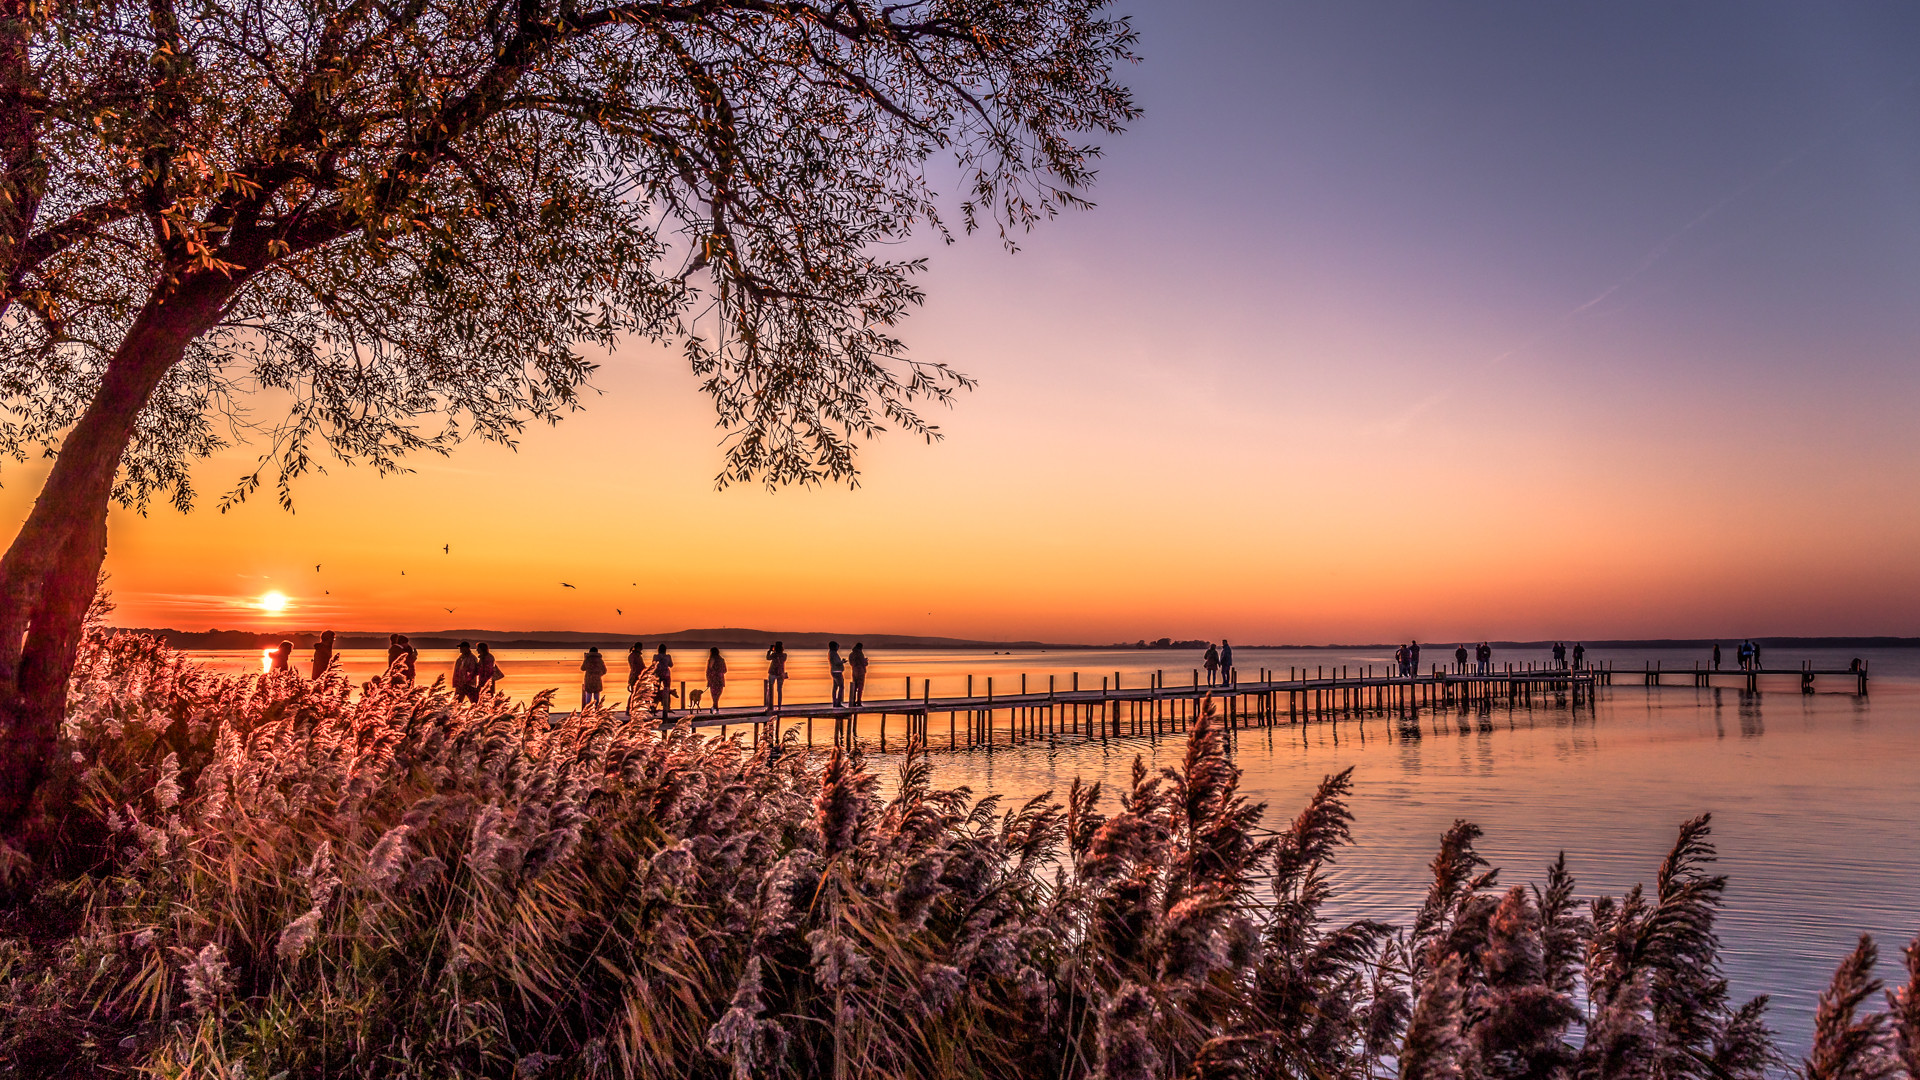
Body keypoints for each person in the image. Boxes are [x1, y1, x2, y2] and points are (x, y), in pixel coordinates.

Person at [654, 643, 675, 713]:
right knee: (667, 690)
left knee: (656, 691)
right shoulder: (668, 657)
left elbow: (653, 665)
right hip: (666, 675)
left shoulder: (655, 657)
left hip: (657, 675)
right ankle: (667, 707)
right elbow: (671, 665)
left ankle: (653, 706)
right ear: (665, 650)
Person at [766, 641, 788, 707]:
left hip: (772, 673)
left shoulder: (774, 655)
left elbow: (767, 658)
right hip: (780, 674)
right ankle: (779, 706)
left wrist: (770, 650)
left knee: (770, 690)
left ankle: (770, 706)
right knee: (779, 690)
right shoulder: (784, 655)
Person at [849, 642, 869, 706]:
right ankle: (859, 701)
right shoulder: (860, 653)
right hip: (860, 671)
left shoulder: (851, 654)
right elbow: (863, 663)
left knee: (854, 686)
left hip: (854, 670)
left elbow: (851, 663)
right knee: (860, 686)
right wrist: (865, 661)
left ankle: (853, 700)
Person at [828, 641, 846, 707]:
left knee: (835, 687)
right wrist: (842, 661)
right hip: (837, 672)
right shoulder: (834, 653)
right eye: (837, 646)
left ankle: (835, 702)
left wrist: (841, 661)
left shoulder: (831, 653)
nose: (838, 647)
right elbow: (837, 662)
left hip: (834, 671)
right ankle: (838, 703)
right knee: (841, 687)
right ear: (834, 647)